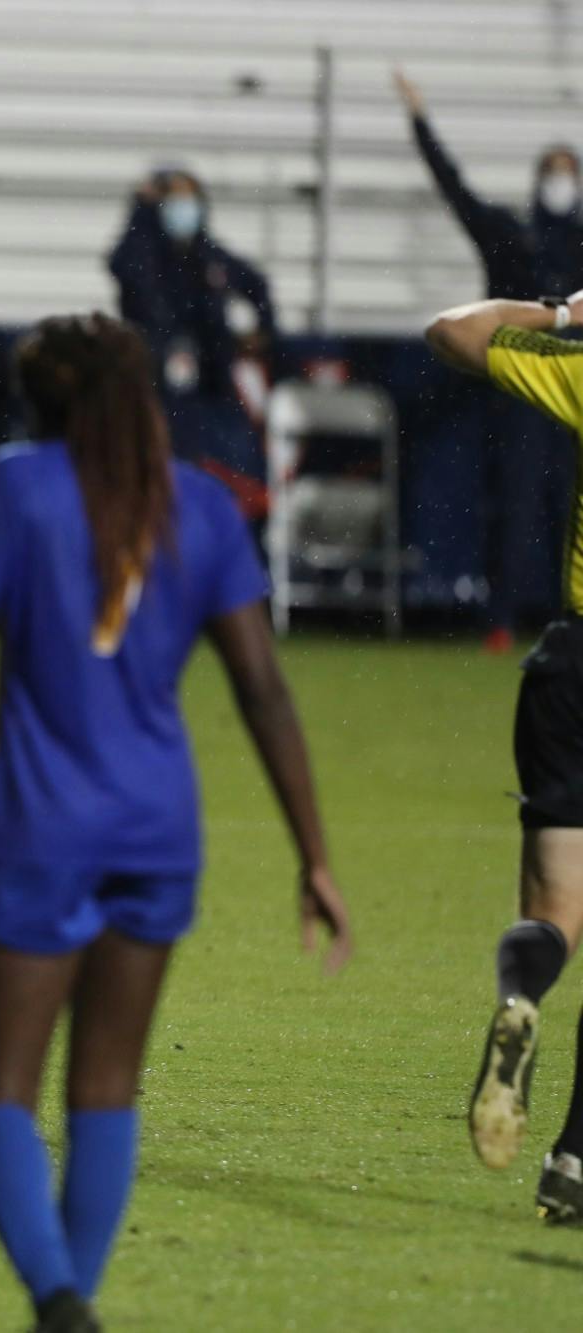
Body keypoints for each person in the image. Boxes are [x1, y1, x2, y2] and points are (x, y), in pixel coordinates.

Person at [0, 313, 353, 1333]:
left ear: (45, 401)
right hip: (159, 834)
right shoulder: (198, 506)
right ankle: (67, 1307)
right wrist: (314, 857)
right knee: (107, 1086)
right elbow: (262, 690)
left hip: (37, 829)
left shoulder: (18, 486)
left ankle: (59, 1302)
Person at [427, 288, 583, 1224]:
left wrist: (563, 312)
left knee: (555, 912)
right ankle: (572, 1161)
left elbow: (453, 332)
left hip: (570, 665)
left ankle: (522, 994)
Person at [395, 68, 583, 650]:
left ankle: (561, 622)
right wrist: (421, 123)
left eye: (567, 172)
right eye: (552, 171)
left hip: (568, 378)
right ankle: (504, 619)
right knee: (520, 504)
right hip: (529, 384)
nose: (559, 183)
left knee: (562, 506)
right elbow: (455, 190)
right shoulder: (510, 233)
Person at [107, 166, 276, 502]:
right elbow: (124, 266)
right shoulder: (144, 252)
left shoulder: (208, 255)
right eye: (173, 201)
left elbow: (256, 285)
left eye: (189, 201)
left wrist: (260, 331)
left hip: (211, 387)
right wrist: (140, 209)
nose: (183, 211)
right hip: (155, 383)